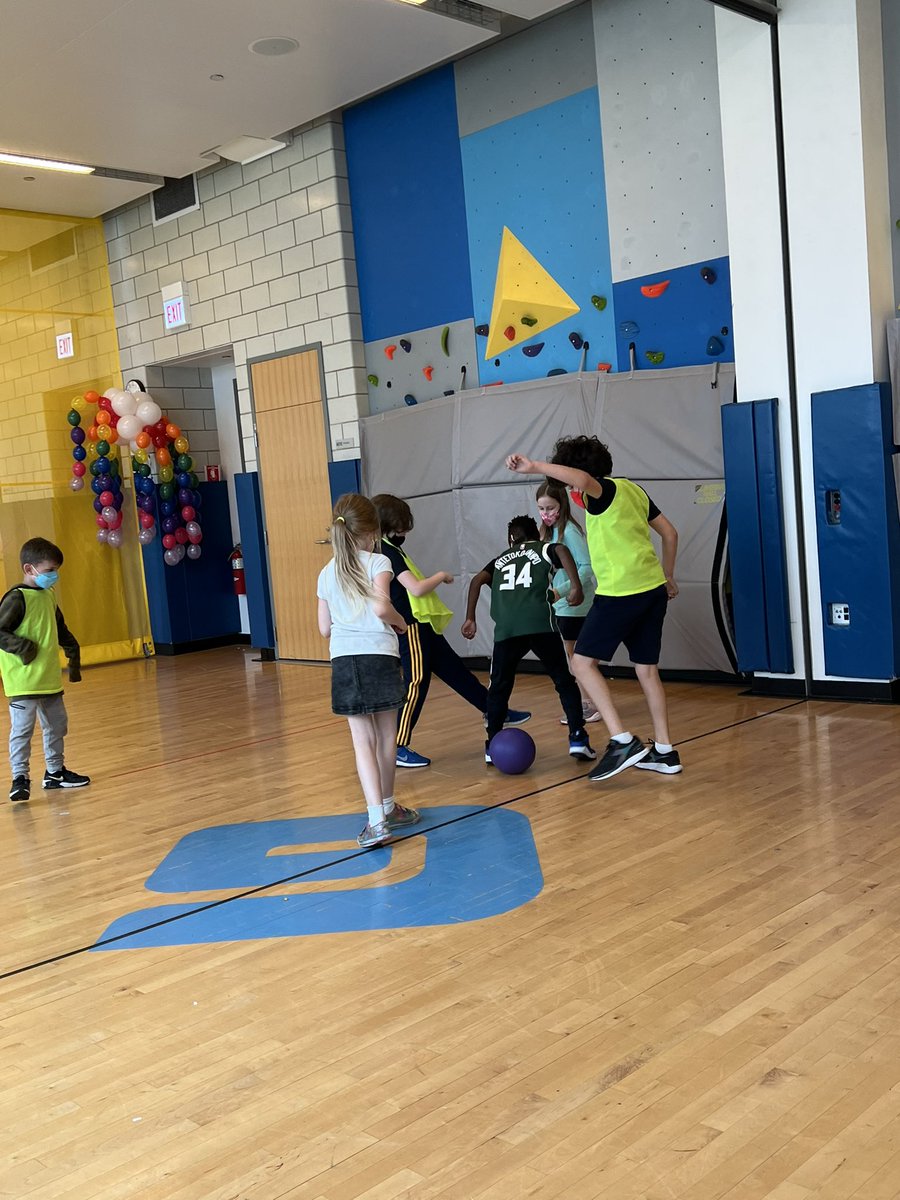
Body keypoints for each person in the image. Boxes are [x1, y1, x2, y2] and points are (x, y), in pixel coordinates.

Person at [507, 437, 683, 780]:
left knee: (580, 663)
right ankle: (665, 751)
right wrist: (669, 575)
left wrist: (534, 466)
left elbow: (583, 480)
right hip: (652, 590)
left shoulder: (601, 491)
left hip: (621, 593)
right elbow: (670, 533)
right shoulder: (632, 489)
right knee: (647, 671)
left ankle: (622, 741)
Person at [372, 494, 530, 769]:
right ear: (390, 524)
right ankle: (396, 745)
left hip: (424, 626)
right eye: (402, 526)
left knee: (456, 672)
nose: (405, 532)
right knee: (416, 682)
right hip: (410, 627)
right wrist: (441, 576)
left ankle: (495, 710)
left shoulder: (392, 549)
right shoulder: (387, 553)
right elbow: (416, 588)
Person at [316, 494, 421, 848]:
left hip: (345, 660)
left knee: (363, 742)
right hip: (380, 655)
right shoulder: (379, 561)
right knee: (387, 737)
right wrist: (401, 622)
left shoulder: (326, 572)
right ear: (372, 532)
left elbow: (324, 629)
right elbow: (381, 608)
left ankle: (378, 819)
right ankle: (386, 810)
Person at [462, 514, 597, 765]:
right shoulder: (544, 549)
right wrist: (576, 586)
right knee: (563, 681)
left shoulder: (500, 559)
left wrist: (470, 618)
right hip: (539, 623)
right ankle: (578, 737)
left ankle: (492, 744)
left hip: (507, 629)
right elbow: (561, 550)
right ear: (535, 534)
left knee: (499, 686)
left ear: (511, 538)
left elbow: (476, 580)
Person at [0, 537, 89, 803]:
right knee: (22, 731)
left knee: (57, 726)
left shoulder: (48, 596)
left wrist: (73, 657)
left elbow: (60, 630)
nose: (54, 576)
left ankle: (54, 773)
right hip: (23, 681)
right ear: (29, 569)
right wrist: (25, 648)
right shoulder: (17, 598)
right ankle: (20, 778)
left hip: (49, 679)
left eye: (55, 570)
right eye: (50, 570)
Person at [535, 481, 599, 723]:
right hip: (559, 606)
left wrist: (561, 591)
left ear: (562, 505)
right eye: (541, 508)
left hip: (575, 605)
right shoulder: (545, 533)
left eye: (550, 508)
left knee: (578, 658)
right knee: (571, 657)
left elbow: (587, 567)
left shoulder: (569, 532)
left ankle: (589, 704)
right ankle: (586, 702)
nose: (545, 513)